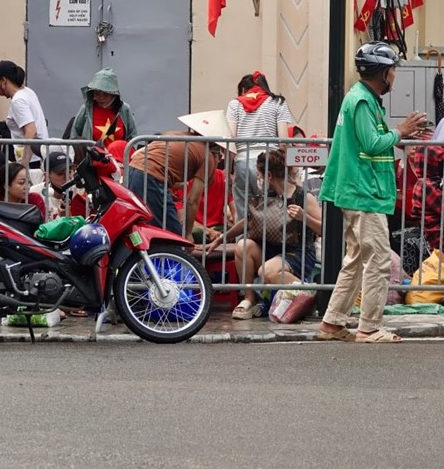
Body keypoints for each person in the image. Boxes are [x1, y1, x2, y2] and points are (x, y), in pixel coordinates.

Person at [316, 42, 426, 343]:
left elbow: (373, 140)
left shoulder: (362, 98)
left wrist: (397, 136)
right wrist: (400, 131)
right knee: (377, 260)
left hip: (359, 189)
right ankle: (370, 327)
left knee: (355, 258)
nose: (394, 77)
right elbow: (371, 144)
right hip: (364, 192)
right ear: (382, 73)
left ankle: (333, 323)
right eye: (392, 71)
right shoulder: (362, 100)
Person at [206, 149, 321, 319]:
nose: (258, 179)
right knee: (243, 245)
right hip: (271, 249)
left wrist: (304, 217)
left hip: (297, 253)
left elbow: (323, 229)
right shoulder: (267, 195)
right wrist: (222, 239)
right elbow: (248, 222)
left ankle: (309, 292)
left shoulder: (303, 196)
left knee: (266, 271)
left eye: (259, 175)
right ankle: (249, 300)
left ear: (268, 175)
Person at [125, 114, 224, 238]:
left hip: (134, 169)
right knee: (173, 235)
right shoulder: (208, 156)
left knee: (147, 225)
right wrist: (187, 234)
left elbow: (137, 155)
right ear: (216, 153)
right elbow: (192, 201)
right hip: (150, 176)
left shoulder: (177, 135)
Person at [226, 71, 295, 222]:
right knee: (270, 207)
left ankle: (242, 244)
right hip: (268, 162)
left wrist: (229, 169)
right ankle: (266, 244)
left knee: (242, 208)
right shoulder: (278, 102)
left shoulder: (235, 104)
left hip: (242, 161)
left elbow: (231, 136)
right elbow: (283, 139)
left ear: (243, 90)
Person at [0, 60, 48, 168]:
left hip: (32, 161)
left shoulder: (18, 100)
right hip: (39, 157)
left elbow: (31, 132)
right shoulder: (28, 92)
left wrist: (23, 164)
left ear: (3, 80)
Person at [68, 68, 138, 146]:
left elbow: (133, 136)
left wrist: (128, 154)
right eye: (97, 94)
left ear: (114, 94)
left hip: (118, 157)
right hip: (92, 157)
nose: (101, 98)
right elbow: (75, 133)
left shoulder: (125, 109)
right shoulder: (86, 108)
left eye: (106, 94)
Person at [31, 152, 87, 221]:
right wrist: (60, 217)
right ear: (47, 176)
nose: (67, 177)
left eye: (69, 172)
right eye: (60, 173)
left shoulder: (81, 191)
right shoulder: (35, 193)